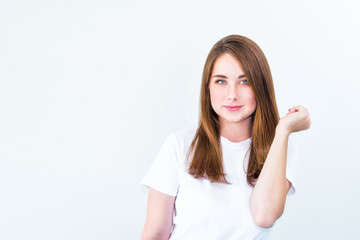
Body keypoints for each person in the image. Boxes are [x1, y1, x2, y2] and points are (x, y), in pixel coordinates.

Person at [140, 34, 311, 240]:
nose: (232, 94)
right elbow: (155, 234)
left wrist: (283, 130)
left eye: (245, 81)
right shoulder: (179, 145)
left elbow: (264, 217)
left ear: (261, 87)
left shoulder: (282, 149)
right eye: (221, 81)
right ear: (208, 87)